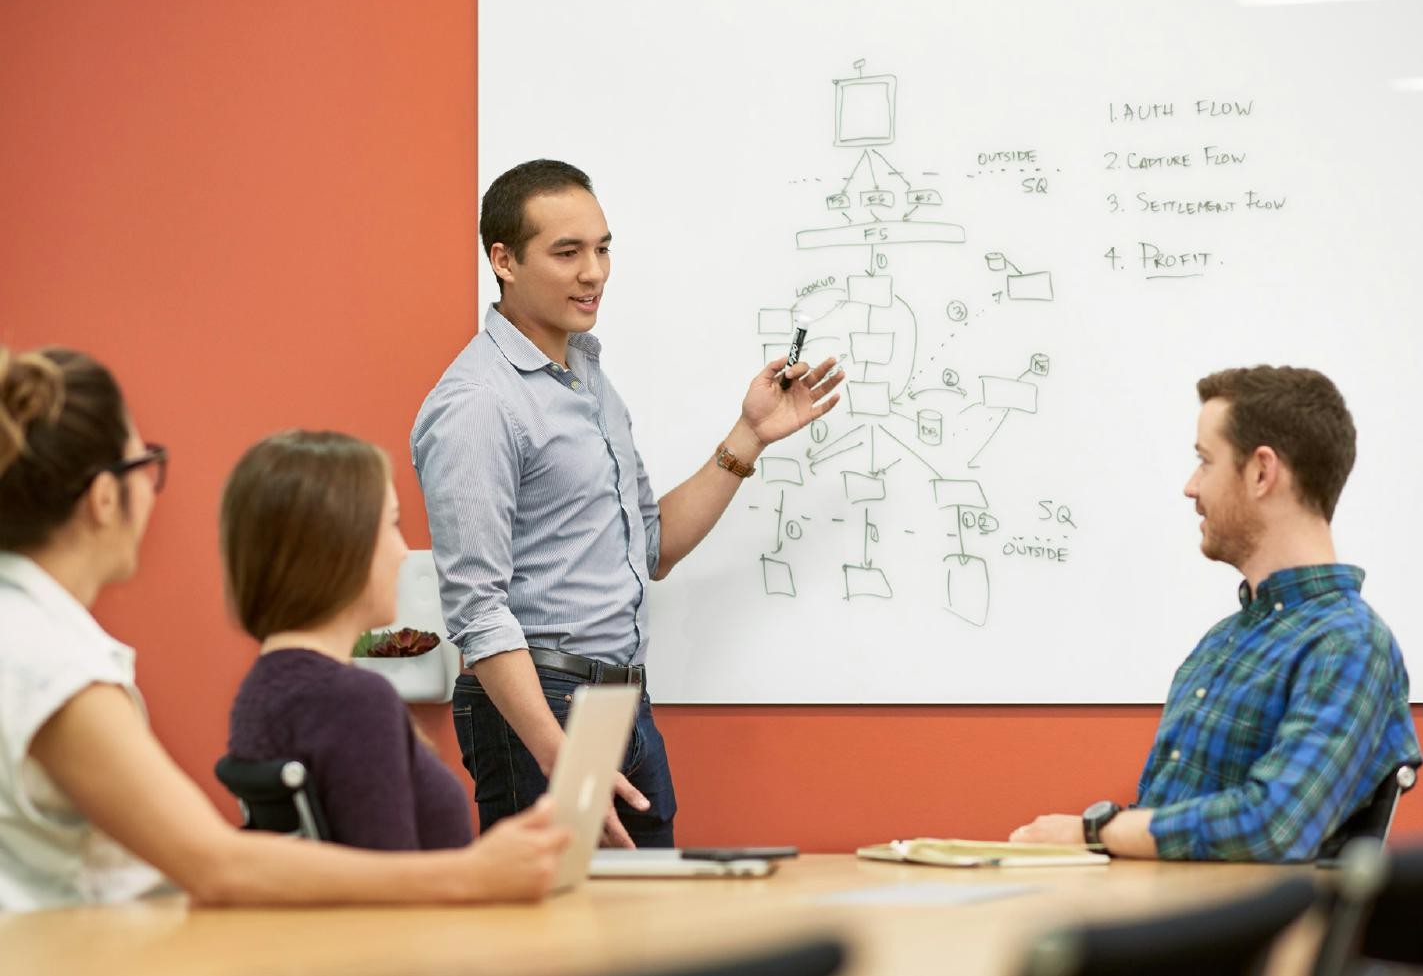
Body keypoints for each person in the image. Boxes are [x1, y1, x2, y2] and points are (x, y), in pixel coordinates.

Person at [0, 346, 567, 910]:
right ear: (104, 498)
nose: (152, 489)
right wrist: (476, 873)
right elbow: (215, 866)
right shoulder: (52, 664)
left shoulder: (30, 638)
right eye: (145, 463)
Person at [411, 159, 844, 847]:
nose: (595, 272)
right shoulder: (477, 405)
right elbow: (477, 610)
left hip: (622, 701)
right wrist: (562, 759)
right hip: (545, 708)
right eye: (567, 252)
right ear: (504, 260)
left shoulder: (586, 376)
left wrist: (751, 434)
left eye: (603, 247)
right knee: (565, 946)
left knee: (647, 932)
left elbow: (651, 546)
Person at [1010, 365, 1422, 861]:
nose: (1190, 486)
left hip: (1233, 935)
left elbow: (1272, 826)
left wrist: (1095, 832)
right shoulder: (1224, 640)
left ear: (1261, 472)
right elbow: (1170, 822)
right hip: (1156, 913)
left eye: (1205, 461)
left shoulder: (1349, 643)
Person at [221, 431, 470, 850]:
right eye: (392, 525)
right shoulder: (352, 701)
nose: (404, 552)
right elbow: (391, 890)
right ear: (338, 546)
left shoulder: (262, 690)